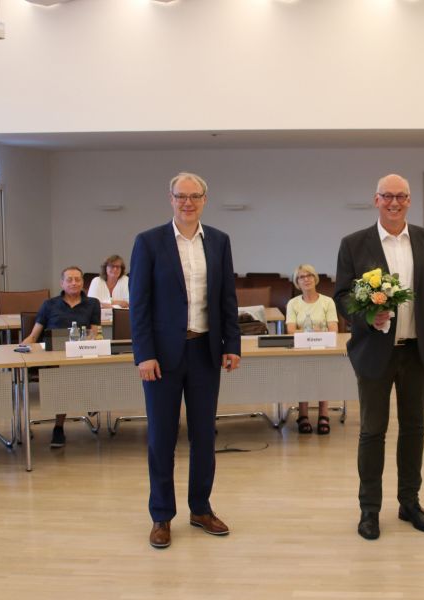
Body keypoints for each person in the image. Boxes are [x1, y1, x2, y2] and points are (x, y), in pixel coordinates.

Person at [334, 173, 424, 541]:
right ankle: (369, 509)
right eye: (387, 196)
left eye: (401, 196)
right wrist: (367, 315)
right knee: (372, 431)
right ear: (376, 200)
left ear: (409, 200)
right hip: (374, 353)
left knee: (415, 429)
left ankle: (409, 502)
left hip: (417, 352)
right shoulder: (354, 244)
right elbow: (342, 295)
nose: (394, 202)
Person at [129, 171, 241, 550]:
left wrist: (233, 343)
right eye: (181, 196)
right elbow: (139, 305)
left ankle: (200, 508)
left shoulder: (220, 242)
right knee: (161, 437)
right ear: (170, 198)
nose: (188, 202)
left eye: (195, 196)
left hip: (205, 352)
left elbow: (227, 298)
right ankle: (161, 515)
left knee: (204, 437)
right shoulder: (149, 242)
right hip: (161, 358)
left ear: (205, 200)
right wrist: (143, 354)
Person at [21, 265, 101, 448]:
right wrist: (21, 348)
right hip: (55, 358)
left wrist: (86, 345)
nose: (74, 283)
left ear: (83, 283)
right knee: (64, 379)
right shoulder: (49, 304)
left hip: (80, 354)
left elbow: (93, 333)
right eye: (69, 279)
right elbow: (34, 336)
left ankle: (91, 399)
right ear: (62, 283)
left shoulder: (92, 303)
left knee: (90, 372)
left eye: (78, 279)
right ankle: (59, 427)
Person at [286, 263, 339, 435]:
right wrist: (312, 331)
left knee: (322, 375)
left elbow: (334, 329)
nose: (306, 279)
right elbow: (290, 330)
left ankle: (324, 415)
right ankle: (303, 415)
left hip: (324, 349)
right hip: (301, 350)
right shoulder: (293, 303)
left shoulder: (327, 301)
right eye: (301, 277)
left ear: (315, 278)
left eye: (309, 275)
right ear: (297, 282)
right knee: (304, 376)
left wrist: (311, 332)